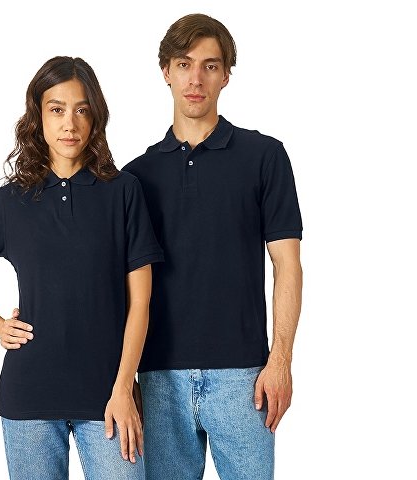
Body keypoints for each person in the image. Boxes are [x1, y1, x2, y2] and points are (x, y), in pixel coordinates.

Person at [0, 56, 164, 480]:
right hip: (30, 397)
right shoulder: (12, 201)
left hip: (108, 396)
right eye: (57, 109)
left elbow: (141, 304)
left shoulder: (123, 192)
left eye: (81, 110)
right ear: (38, 116)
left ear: (95, 117)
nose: (69, 124)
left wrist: (123, 387)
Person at [121, 14, 304, 480]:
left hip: (244, 378)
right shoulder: (135, 177)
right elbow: (119, 287)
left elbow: (287, 265)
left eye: (210, 65)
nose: (195, 79)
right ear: (166, 71)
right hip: (158, 377)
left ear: (226, 75)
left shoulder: (264, 157)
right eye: (184, 64)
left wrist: (280, 360)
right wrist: (123, 380)